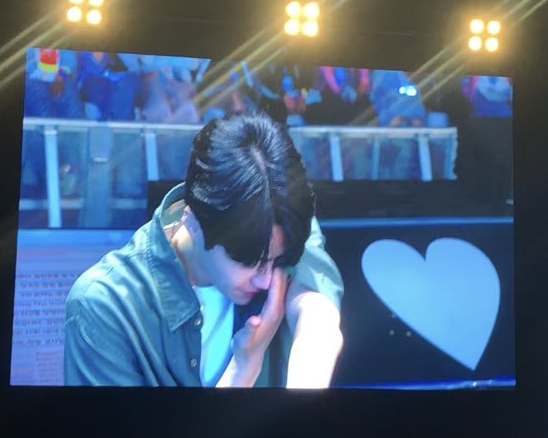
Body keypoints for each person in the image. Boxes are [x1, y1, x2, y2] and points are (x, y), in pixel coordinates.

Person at [64, 112, 344, 388]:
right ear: (193, 220)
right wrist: (243, 367)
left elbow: (318, 319)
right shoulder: (105, 307)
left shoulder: (279, 224)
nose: (266, 280)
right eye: (248, 261)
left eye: (278, 261)